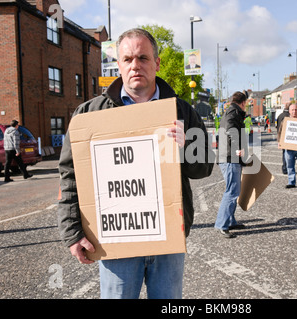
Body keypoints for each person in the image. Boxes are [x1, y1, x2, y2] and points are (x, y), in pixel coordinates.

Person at [57, 28, 214, 299]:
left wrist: (186, 148)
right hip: (116, 238)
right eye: (127, 59)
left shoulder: (182, 111)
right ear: (118, 65)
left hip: (167, 239)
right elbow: (71, 175)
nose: (135, 66)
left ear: (157, 63)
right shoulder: (89, 114)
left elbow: (205, 167)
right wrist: (72, 232)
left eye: (143, 57)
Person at [215, 91, 250, 239]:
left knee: (234, 190)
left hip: (230, 157)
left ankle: (230, 220)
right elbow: (231, 130)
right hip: (229, 157)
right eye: (246, 103)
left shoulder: (232, 111)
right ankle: (222, 225)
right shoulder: (233, 112)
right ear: (243, 102)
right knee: (232, 191)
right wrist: (237, 148)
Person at [276, 102, 290, 175]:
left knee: (284, 153)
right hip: (288, 137)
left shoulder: (280, 115)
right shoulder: (289, 116)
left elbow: (277, 126)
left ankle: (284, 168)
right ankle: (288, 168)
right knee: (290, 153)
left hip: (281, 136)